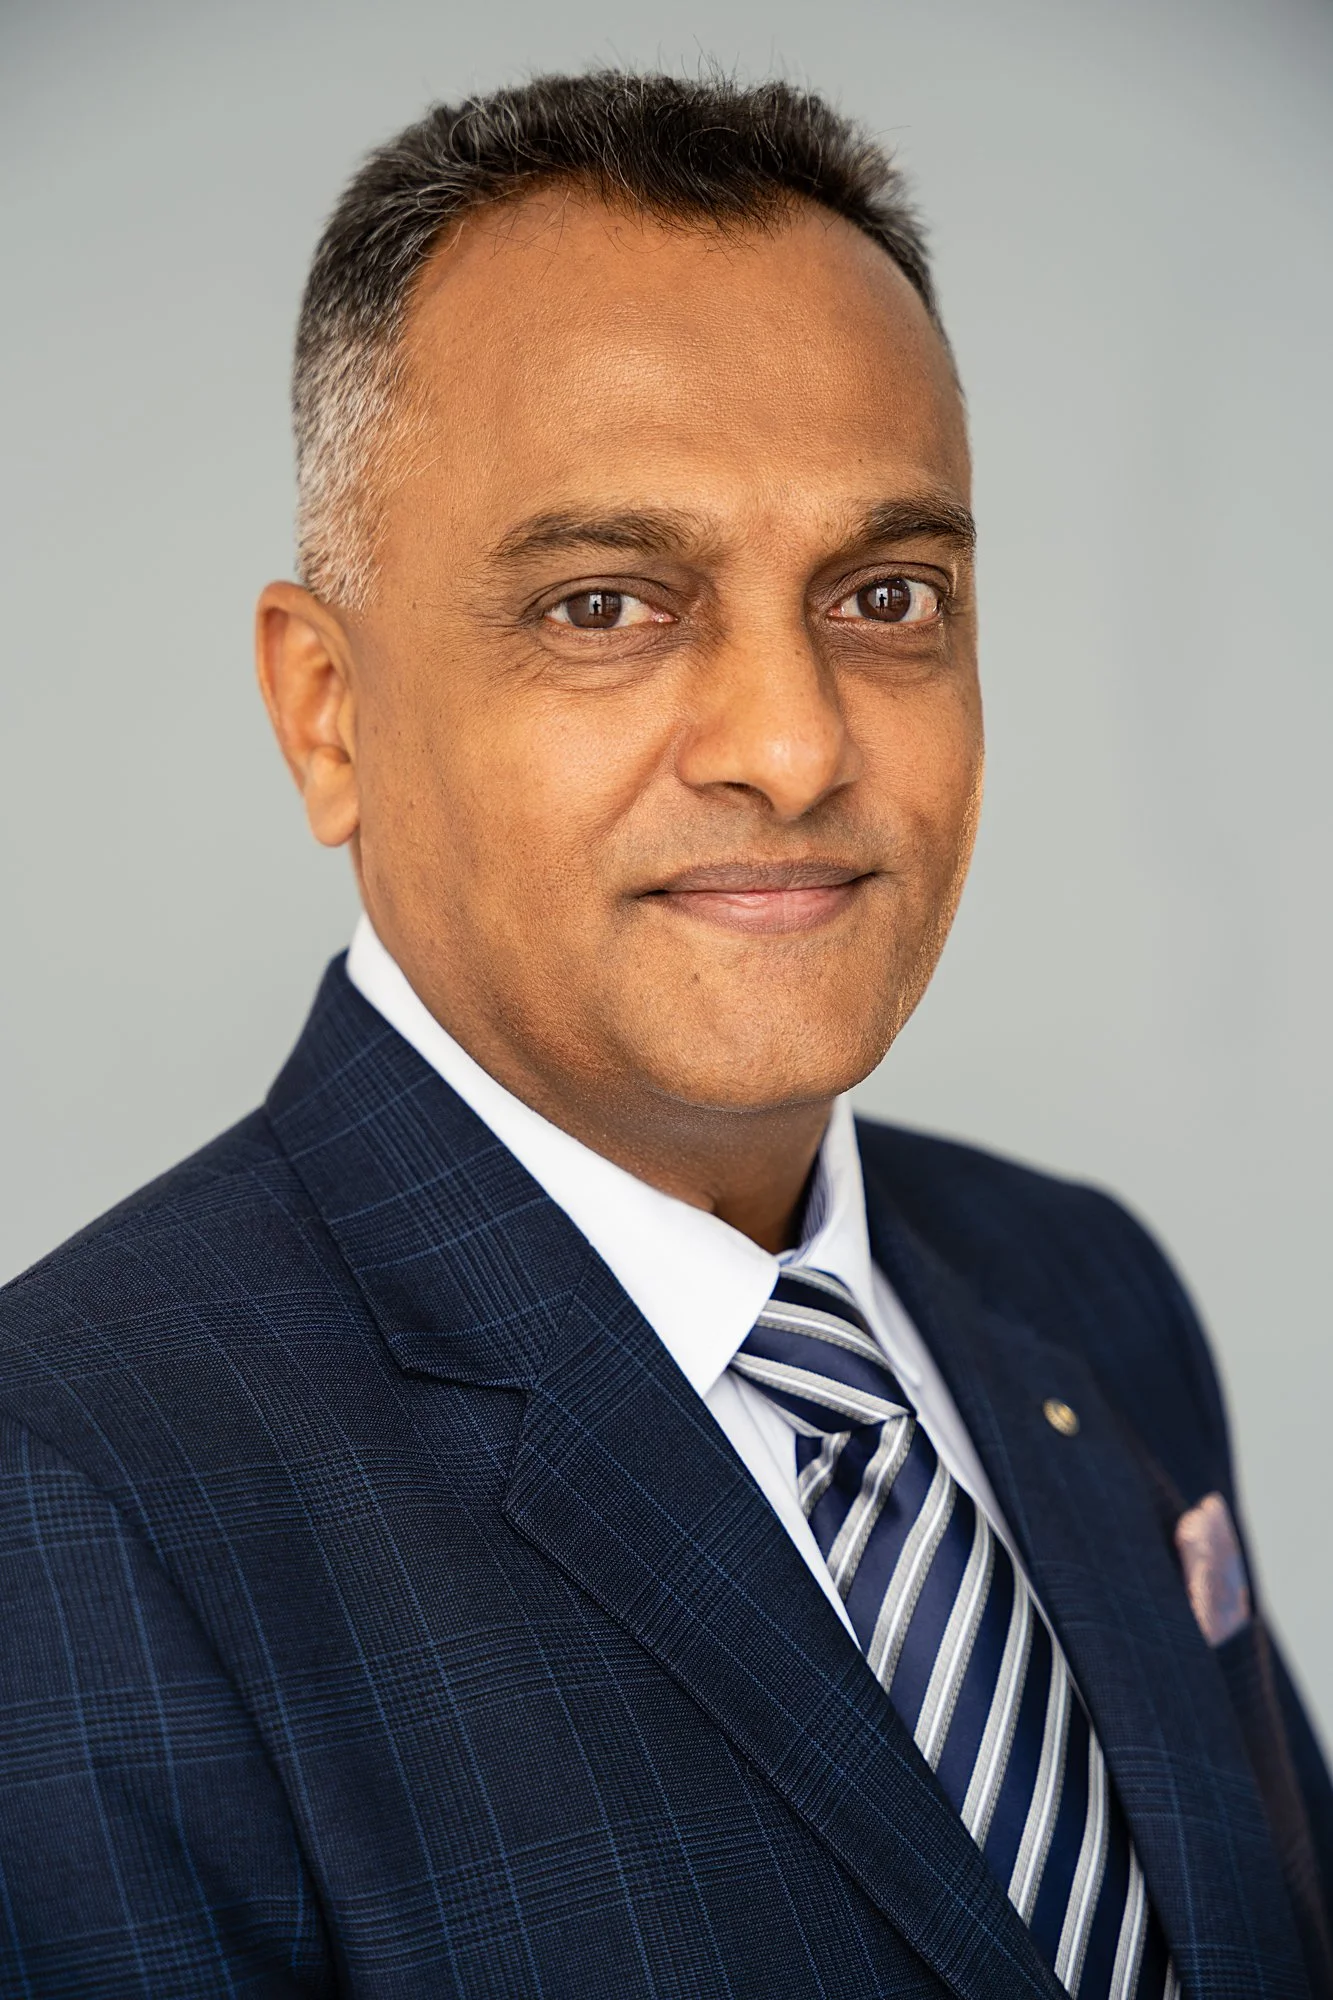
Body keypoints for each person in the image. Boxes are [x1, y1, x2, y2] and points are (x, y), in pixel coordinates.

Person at [0, 68, 1327, 2000]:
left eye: (887, 594)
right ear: (326, 711)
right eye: (606, 605)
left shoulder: (1080, 1284)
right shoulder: (70, 1496)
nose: (792, 744)